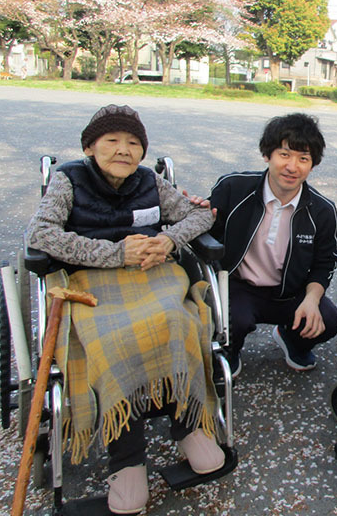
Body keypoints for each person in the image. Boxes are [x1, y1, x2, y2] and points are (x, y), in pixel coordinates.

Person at [26, 105, 225, 514]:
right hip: (92, 280)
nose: (123, 150)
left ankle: (188, 427)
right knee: (116, 337)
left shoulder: (150, 181)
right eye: (112, 141)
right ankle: (127, 459)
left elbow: (200, 214)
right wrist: (115, 253)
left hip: (154, 275)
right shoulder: (69, 180)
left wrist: (168, 241)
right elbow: (41, 233)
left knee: (179, 320)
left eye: (133, 143)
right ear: (90, 146)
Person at [207, 113, 337, 377]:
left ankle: (291, 338)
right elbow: (204, 230)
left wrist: (312, 300)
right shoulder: (233, 188)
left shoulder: (323, 211)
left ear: (312, 165)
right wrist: (191, 212)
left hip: (290, 293)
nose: (293, 167)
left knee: (329, 319)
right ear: (267, 155)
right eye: (284, 155)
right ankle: (229, 351)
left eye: (303, 159)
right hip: (239, 289)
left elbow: (325, 262)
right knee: (232, 320)